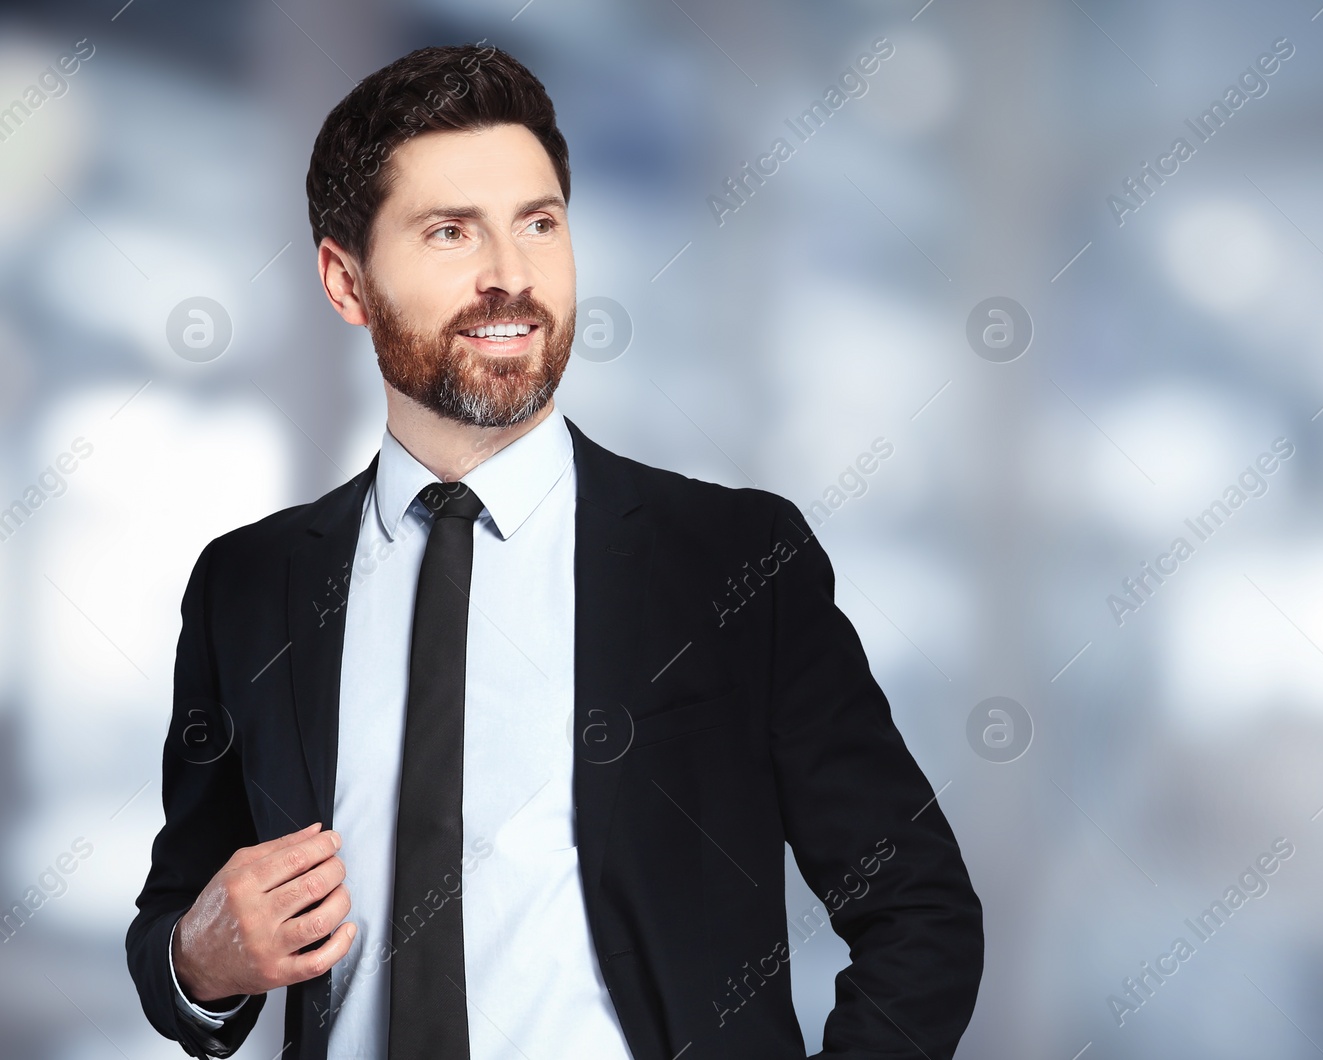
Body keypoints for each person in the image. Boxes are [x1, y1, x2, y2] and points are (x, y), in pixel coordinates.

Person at [125, 42, 982, 1060]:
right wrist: (198, 960)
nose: (508, 277)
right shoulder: (250, 586)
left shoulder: (734, 564)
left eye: (538, 224)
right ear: (345, 281)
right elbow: (181, 914)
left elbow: (919, 909)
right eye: (450, 232)